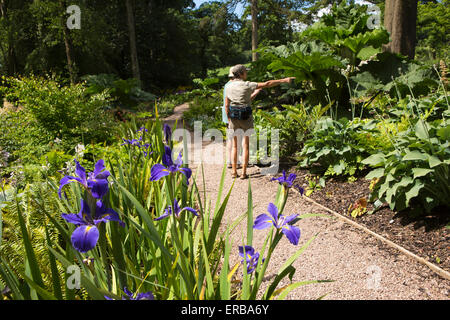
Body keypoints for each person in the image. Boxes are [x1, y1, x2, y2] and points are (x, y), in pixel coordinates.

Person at [224, 64, 295, 179]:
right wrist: (284, 80)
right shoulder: (247, 84)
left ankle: (233, 172)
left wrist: (229, 118)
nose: (246, 73)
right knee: (245, 145)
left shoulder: (228, 86)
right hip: (246, 117)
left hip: (233, 117)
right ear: (241, 73)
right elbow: (267, 84)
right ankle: (243, 173)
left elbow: (227, 105)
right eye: (245, 72)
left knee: (235, 146)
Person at [222, 73, 260, 169]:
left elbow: (228, 103)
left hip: (230, 115)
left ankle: (231, 163)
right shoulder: (233, 86)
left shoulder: (227, 85)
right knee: (239, 142)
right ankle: (237, 164)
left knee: (232, 140)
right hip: (235, 115)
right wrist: (256, 92)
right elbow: (243, 100)